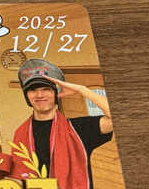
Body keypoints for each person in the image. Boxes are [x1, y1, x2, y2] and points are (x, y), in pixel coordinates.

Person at [10, 59, 113, 189]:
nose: (39, 95)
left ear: (56, 93)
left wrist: (82, 90)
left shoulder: (80, 129)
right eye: (33, 90)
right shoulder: (20, 133)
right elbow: (17, 175)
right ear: (27, 96)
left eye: (46, 89)